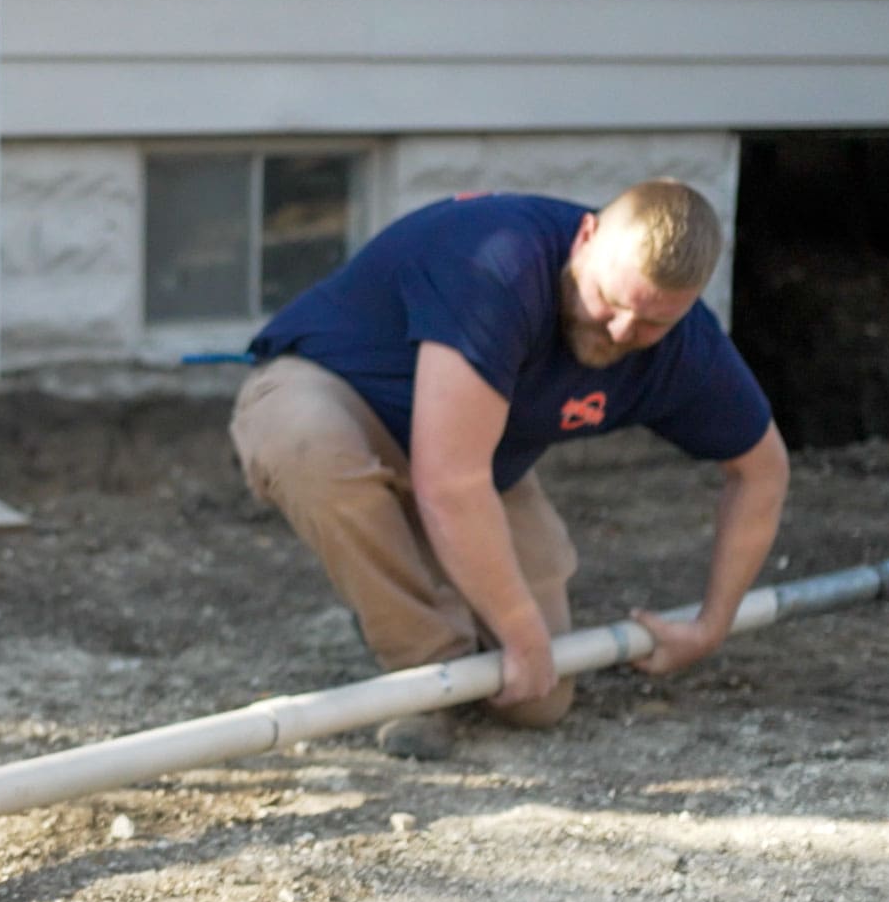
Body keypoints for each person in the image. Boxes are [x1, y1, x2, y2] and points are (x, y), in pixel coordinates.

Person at [229, 182, 789, 760]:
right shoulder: (497, 266)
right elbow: (450, 484)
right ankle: (422, 668)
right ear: (587, 237)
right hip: (333, 395)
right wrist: (519, 630)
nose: (623, 332)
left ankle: (421, 611)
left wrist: (711, 624)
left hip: (473, 459)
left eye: (652, 322)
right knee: (309, 449)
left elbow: (762, 471)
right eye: (610, 301)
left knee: (536, 702)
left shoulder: (685, 346)